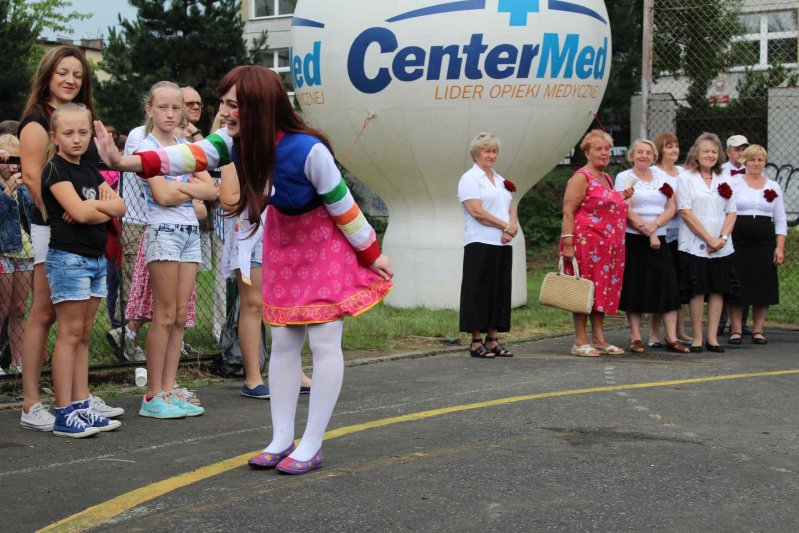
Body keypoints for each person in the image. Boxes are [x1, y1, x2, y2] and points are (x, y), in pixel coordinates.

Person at [94, 65, 394, 474]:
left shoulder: (309, 150)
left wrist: (372, 253)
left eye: (233, 104)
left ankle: (311, 443)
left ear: (258, 105)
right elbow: (183, 156)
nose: (225, 111)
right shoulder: (233, 142)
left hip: (324, 246)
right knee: (286, 343)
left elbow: (344, 206)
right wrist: (122, 161)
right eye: (224, 103)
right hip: (284, 242)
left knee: (324, 342)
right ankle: (280, 439)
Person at [18, 44, 124, 432]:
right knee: (45, 314)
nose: (70, 80)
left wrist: (87, 209)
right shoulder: (35, 122)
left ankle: (79, 397)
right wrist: (64, 214)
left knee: (75, 322)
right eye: (63, 72)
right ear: (47, 74)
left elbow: (103, 190)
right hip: (54, 230)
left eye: (78, 75)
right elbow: (33, 180)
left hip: (83, 229)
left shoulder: (78, 119)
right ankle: (32, 402)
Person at [41, 103, 127, 437]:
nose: (77, 139)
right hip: (69, 259)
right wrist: (94, 207)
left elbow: (118, 206)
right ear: (54, 136)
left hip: (94, 259)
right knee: (69, 334)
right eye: (68, 133)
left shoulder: (89, 169)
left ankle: (81, 405)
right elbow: (77, 212)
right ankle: (64, 411)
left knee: (84, 334)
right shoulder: (55, 170)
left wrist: (91, 207)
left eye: (82, 132)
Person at [135, 81, 218, 419]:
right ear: (149, 110)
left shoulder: (186, 147)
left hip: (188, 233)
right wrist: (190, 190)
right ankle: (152, 394)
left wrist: (181, 188)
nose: (170, 114)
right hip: (164, 232)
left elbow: (212, 190)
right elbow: (162, 196)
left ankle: (168, 390)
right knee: (164, 314)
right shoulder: (146, 146)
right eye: (163, 108)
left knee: (181, 316)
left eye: (175, 108)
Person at [614, 140, 689, 354]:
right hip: (634, 238)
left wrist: (655, 227)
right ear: (632, 155)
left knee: (668, 286)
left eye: (648, 152)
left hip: (660, 235)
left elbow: (671, 206)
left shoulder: (663, 178)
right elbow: (625, 208)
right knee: (636, 286)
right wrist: (647, 231)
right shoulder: (624, 177)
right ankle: (636, 337)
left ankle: (671, 338)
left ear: (654, 156)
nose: (644, 156)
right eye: (640, 152)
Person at [561, 129, 630, 357]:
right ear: (587, 152)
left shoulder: (606, 177)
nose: (604, 153)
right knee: (583, 291)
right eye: (598, 149)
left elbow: (604, 204)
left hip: (608, 248)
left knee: (601, 291)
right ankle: (580, 341)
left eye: (607, 149)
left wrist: (621, 196)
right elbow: (569, 210)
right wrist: (568, 243)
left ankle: (599, 338)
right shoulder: (582, 176)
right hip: (586, 245)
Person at [457, 132, 518, 359]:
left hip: (502, 244)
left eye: (494, 151)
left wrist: (512, 226)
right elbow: (477, 211)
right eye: (487, 151)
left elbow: (511, 205)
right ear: (477, 153)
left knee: (499, 290)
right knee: (478, 290)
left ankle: (493, 339)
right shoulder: (470, 178)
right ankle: (475, 341)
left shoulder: (501, 180)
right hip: (480, 241)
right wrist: (505, 226)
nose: (491, 155)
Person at [676, 132, 738, 353]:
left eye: (714, 151)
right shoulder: (685, 177)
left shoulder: (726, 177)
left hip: (721, 245)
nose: (710, 155)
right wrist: (708, 239)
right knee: (697, 290)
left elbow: (732, 212)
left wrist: (721, 238)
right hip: (694, 244)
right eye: (705, 151)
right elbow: (685, 212)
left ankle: (713, 338)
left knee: (718, 290)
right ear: (696, 153)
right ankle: (697, 338)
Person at [727, 145, 786, 345]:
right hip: (738, 241)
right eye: (752, 159)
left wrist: (779, 246)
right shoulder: (734, 183)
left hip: (764, 243)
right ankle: (735, 330)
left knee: (763, 286)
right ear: (745, 161)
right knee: (737, 286)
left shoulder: (773, 186)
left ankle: (758, 329)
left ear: (764, 162)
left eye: (760, 160)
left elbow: (780, 219)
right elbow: (726, 211)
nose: (756, 163)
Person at [649, 132, 692, 346]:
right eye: (668, 146)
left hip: (684, 232)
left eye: (676, 145)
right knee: (661, 284)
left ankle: (678, 330)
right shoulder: (654, 173)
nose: (674, 150)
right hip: (661, 232)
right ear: (660, 150)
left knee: (679, 284)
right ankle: (654, 332)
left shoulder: (683, 172)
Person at [0, 134, 35, 374]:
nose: (13, 165)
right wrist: (7, 190)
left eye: (17, 159)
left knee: (19, 308)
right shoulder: (6, 184)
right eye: (8, 159)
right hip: (3, 249)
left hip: (24, 249)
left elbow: (33, 213)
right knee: (1, 307)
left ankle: (18, 361)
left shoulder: (21, 182)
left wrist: (27, 187)